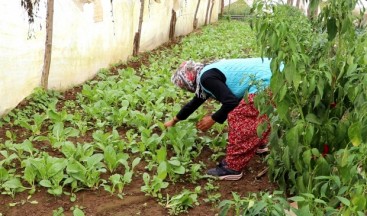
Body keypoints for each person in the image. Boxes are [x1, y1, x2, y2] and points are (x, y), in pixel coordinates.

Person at [164, 58, 272, 181]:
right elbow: (195, 102)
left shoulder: (206, 79)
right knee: (259, 112)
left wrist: (213, 118)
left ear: (189, 82)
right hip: (276, 72)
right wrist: (174, 120)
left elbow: (231, 102)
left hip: (266, 81)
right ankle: (260, 144)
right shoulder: (207, 73)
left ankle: (233, 168)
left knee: (240, 116)